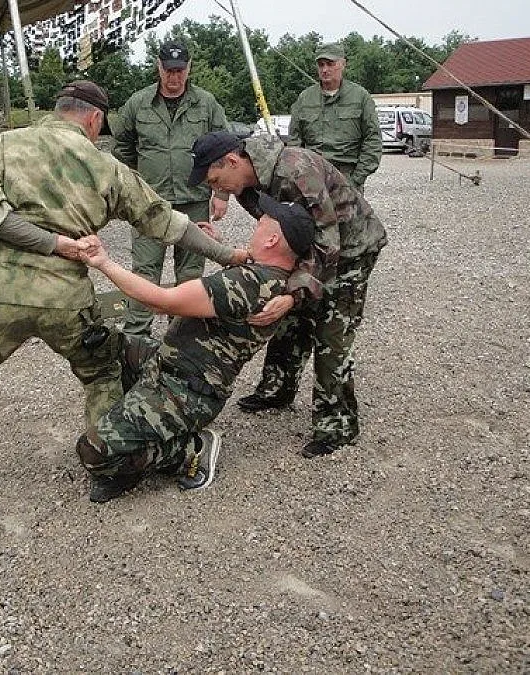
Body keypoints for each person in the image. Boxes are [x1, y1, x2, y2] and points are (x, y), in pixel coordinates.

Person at [0, 81, 246, 518]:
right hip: (68, 302)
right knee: (101, 373)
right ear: (95, 118)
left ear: (59, 109)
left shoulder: (0, 147)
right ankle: (109, 472)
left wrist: (47, 242)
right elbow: (168, 224)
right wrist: (228, 255)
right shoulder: (105, 166)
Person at [74, 195, 316, 503]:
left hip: (186, 391)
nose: (256, 225)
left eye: (262, 223)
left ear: (271, 240)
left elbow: (160, 301)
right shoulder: (278, 280)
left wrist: (104, 263)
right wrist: (219, 244)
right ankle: (138, 421)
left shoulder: (246, 283)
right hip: (173, 364)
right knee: (104, 345)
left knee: (93, 452)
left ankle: (191, 450)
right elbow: (244, 275)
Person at [188, 131, 387, 458]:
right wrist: (229, 250)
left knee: (331, 333)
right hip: (312, 248)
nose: (216, 189)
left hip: (351, 251)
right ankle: (277, 389)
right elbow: (279, 233)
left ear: (233, 161)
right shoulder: (247, 186)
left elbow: (327, 242)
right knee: (290, 321)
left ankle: (337, 426)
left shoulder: (296, 172)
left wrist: (294, 294)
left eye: (215, 180)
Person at [112, 40, 230, 336]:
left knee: (190, 273)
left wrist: (222, 194)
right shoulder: (138, 103)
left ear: (189, 68)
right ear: (158, 67)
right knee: (144, 271)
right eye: (168, 70)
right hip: (149, 204)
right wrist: (139, 178)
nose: (174, 77)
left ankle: (182, 335)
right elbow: (121, 145)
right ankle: (137, 338)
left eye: (179, 70)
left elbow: (225, 147)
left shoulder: (206, 103)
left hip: (194, 200)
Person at [288, 42, 382, 192]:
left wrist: (356, 179)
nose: (325, 70)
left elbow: (373, 140)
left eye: (330, 64)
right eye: (321, 65)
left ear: (343, 64)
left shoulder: (360, 97)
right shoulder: (305, 99)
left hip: (348, 176)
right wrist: (301, 176)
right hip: (313, 178)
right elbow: (294, 141)